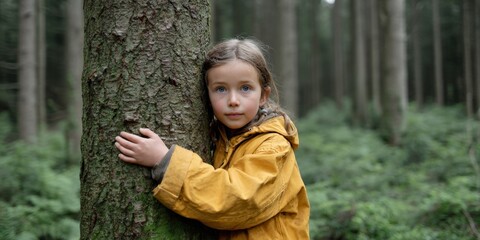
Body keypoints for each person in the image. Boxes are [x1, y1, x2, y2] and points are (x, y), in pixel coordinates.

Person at [114, 38, 310, 239]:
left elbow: (236, 200)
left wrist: (166, 162)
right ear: (205, 96)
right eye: (221, 89)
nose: (233, 101)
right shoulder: (219, 138)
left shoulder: (274, 147)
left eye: (245, 88)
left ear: (263, 95)